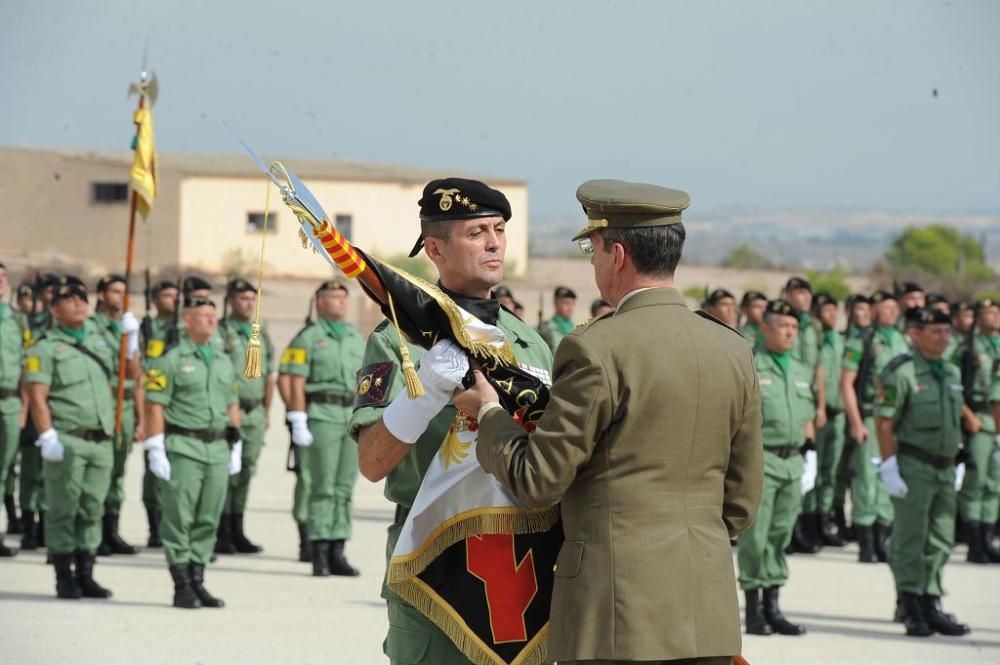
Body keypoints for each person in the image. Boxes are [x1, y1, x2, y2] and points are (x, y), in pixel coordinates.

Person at [455, 178, 762, 664]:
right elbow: (741, 502)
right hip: (707, 612)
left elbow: (539, 479)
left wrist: (488, 413)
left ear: (617, 254)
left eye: (592, 249)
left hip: (615, 616)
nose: (593, 262)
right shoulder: (732, 348)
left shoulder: (596, 348)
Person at [349, 177, 553, 665]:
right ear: (436, 248)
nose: (493, 243)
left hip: (523, 554)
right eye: (477, 231)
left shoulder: (532, 343)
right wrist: (421, 396)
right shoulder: (397, 341)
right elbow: (372, 462)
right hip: (432, 556)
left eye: (499, 229)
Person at [141, 292, 242, 609]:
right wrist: (155, 446)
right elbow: (154, 404)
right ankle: (181, 584)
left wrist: (235, 443)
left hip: (217, 448)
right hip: (184, 446)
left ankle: (198, 579)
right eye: (202, 314)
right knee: (178, 518)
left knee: (208, 518)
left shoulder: (222, 357)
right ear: (186, 320)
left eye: (213, 313)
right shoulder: (168, 358)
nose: (211, 318)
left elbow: (231, 401)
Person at [875, 307, 971, 637]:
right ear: (915, 335)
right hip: (913, 467)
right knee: (910, 539)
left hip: (945, 468)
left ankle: (932, 601)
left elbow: (955, 419)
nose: (944, 338)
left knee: (941, 539)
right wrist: (889, 467)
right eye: (936, 332)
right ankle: (910, 604)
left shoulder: (951, 372)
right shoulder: (902, 372)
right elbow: (885, 422)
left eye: (947, 332)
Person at [24, 276, 116, 599]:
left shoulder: (101, 340)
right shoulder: (45, 348)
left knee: (92, 507)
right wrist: (47, 435)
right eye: (69, 299)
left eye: (82, 297)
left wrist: (130, 339)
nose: (79, 302)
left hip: (100, 440)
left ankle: (86, 572)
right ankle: (64, 575)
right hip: (68, 439)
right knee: (63, 507)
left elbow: (127, 376)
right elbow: (37, 395)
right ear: (54, 309)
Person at [734, 299, 815, 636]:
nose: (789, 332)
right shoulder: (752, 365)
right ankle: (754, 608)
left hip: (794, 460)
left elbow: (807, 414)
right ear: (765, 328)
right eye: (783, 326)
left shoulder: (800, 369)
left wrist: (811, 453)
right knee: (758, 535)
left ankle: (773, 604)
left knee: (781, 534)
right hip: (762, 460)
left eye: (794, 327)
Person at [277, 280, 365, 576]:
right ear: (320, 303)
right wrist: (297, 416)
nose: (341, 301)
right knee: (322, 484)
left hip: (350, 414)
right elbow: (292, 378)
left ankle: (338, 548)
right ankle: (319, 550)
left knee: (344, 486)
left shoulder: (356, 338)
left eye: (344, 296)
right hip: (322, 414)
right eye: (334, 297)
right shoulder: (307, 338)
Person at [841, 290, 906, 562]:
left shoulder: (903, 340)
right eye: (884, 307)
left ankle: (883, 539)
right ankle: (866, 543)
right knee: (867, 480)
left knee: (887, 477)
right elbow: (846, 384)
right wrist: (856, 422)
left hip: (896, 420)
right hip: (870, 416)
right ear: (874, 311)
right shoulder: (862, 340)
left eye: (894, 307)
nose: (890, 312)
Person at [215, 278, 275, 555]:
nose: (249, 303)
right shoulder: (221, 333)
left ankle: (237, 528)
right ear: (230, 301)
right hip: (231, 411)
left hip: (254, 412)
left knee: (247, 471)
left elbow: (269, 375)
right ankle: (221, 529)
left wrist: (266, 411)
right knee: (228, 473)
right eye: (242, 298)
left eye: (252, 298)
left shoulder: (259, 334)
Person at [91, 274, 143, 557]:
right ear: (100, 295)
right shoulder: (91, 329)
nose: (121, 297)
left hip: (124, 407)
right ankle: (93, 532)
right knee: (99, 473)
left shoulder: (128, 327)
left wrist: (131, 340)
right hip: (101, 406)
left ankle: (111, 530)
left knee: (118, 473)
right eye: (115, 291)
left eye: (125, 292)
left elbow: (135, 375)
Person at [952, 298, 1000, 562]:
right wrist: (967, 416)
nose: (994, 317)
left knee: (995, 484)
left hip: (999, 422)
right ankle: (974, 543)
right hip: (979, 418)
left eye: (997, 312)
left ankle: (988, 538)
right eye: (988, 313)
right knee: (976, 481)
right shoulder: (967, 348)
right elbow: (953, 386)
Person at [801, 293, 846, 548]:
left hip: (837, 414)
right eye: (826, 310)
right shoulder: (813, 337)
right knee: (813, 471)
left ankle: (823, 520)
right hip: (818, 413)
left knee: (831, 471)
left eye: (834, 310)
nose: (831, 315)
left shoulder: (838, 340)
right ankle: (807, 522)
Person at [139, 278, 179, 547]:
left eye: (176, 295)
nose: (173, 300)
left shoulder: (185, 326)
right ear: (154, 300)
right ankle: (154, 527)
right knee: (154, 469)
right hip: (152, 396)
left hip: (178, 402)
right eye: (166, 295)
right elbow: (139, 366)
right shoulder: (146, 328)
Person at [0, 263, 25, 556]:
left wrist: (24, 407)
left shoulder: (17, 320)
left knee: (5, 471)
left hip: (9, 403)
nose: (1, 282)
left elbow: (25, 364)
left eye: (4, 277)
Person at [539, 286, 576, 352]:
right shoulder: (546, 329)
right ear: (556, 303)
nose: (570, 308)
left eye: (572, 304)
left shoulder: (575, 329)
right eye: (566, 303)